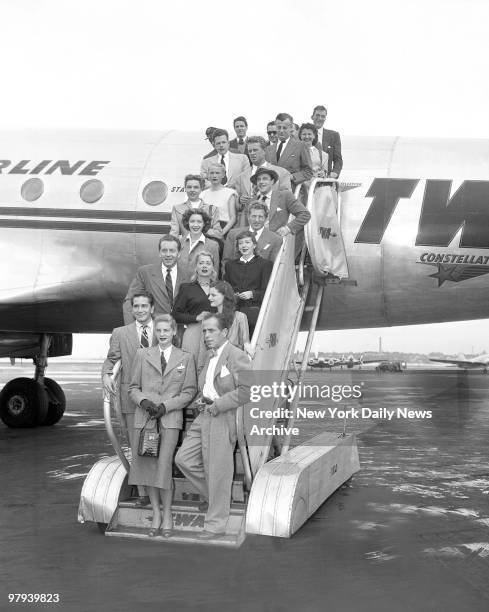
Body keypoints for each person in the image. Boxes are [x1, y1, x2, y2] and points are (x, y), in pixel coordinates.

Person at [175, 313, 251, 539]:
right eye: (204, 331)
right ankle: (217, 498)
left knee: (218, 471)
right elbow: (209, 386)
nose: (206, 335)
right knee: (184, 459)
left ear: (224, 332)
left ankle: (216, 525)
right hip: (204, 413)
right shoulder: (209, 357)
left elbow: (248, 391)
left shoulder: (236, 356)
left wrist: (219, 404)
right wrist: (203, 399)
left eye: (211, 331)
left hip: (222, 416)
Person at [129, 314, 197, 537]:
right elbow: (133, 388)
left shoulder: (186, 358)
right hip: (146, 419)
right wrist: (144, 401)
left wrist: (166, 406)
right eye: (159, 331)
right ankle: (156, 514)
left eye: (166, 330)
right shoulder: (142, 354)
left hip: (168, 421)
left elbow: (189, 392)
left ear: (174, 331)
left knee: (164, 469)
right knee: (148, 469)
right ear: (154, 332)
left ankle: (167, 514)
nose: (162, 334)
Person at [102, 292, 157, 506]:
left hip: (158, 398)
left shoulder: (164, 329)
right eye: (136, 306)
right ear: (132, 309)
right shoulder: (120, 333)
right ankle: (144, 494)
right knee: (136, 447)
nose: (140, 310)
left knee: (157, 446)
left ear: (152, 308)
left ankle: (159, 489)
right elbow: (111, 359)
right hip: (130, 399)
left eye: (144, 306)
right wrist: (107, 375)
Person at [229, 136, 291, 226]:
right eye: (250, 151)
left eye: (255, 150)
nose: (252, 153)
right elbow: (237, 206)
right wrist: (240, 200)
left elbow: (288, 199)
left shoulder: (281, 173)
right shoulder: (241, 177)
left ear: (264, 151)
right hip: (248, 224)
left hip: (273, 222)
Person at [123, 235, 182, 325]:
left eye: (172, 251)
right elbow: (129, 302)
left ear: (179, 253)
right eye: (164, 250)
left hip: (182, 331)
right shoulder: (145, 273)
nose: (168, 254)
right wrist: (130, 330)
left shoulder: (189, 274)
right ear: (159, 253)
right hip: (155, 332)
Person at [224, 230, 273, 335]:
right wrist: (233, 295)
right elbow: (225, 289)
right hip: (234, 313)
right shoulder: (230, 265)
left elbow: (269, 292)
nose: (243, 245)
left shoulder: (265, 265)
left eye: (247, 242)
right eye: (240, 243)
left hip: (254, 313)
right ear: (237, 247)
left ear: (254, 245)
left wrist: (252, 294)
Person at [172, 251, 217, 357]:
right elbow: (175, 315)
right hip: (193, 333)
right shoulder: (187, 288)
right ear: (196, 267)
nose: (204, 266)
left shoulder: (220, 287)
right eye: (201, 263)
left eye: (208, 263)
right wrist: (196, 317)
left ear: (212, 267)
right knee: (191, 367)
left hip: (215, 334)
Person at [250, 167, 311, 238]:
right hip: (254, 243)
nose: (261, 182)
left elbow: (305, 214)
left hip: (276, 243)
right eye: (258, 179)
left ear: (272, 181)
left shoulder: (284, 196)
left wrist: (287, 228)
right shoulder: (252, 201)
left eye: (265, 179)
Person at [222, 201, 283, 269]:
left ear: (266, 218)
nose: (257, 220)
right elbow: (226, 262)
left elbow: (274, 267)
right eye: (254, 216)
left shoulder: (276, 239)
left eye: (260, 217)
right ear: (248, 217)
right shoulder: (233, 234)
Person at [170, 174, 222, 243]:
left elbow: (219, 234)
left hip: (206, 249)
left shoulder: (213, 209)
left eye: (196, 187)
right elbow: (174, 233)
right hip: (186, 247)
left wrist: (205, 230)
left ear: (201, 189)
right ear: (185, 188)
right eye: (189, 187)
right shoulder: (177, 208)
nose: (192, 190)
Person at [265, 113, 313, 188]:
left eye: (284, 128)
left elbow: (308, 172)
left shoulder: (300, 146)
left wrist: (292, 177)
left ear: (290, 128)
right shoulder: (269, 149)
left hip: (291, 190)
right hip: (271, 192)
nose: (281, 131)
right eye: (278, 127)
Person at [178, 209, 220, 280]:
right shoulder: (179, 242)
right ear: (187, 223)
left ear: (204, 224)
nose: (195, 225)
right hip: (179, 288)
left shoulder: (213, 245)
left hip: (200, 288)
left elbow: (214, 273)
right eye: (192, 221)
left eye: (199, 222)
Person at [201, 164, 238, 236]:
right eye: (211, 173)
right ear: (208, 175)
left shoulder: (230, 193)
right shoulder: (202, 194)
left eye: (217, 173)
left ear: (223, 175)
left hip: (224, 229)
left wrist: (222, 233)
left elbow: (233, 218)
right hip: (205, 230)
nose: (214, 176)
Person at [311, 104, 343, 178]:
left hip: (326, 179)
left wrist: (335, 173)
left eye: (323, 116)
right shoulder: (303, 134)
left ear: (325, 118)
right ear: (312, 117)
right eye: (317, 115)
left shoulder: (334, 135)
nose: (320, 118)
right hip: (306, 179)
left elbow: (338, 159)